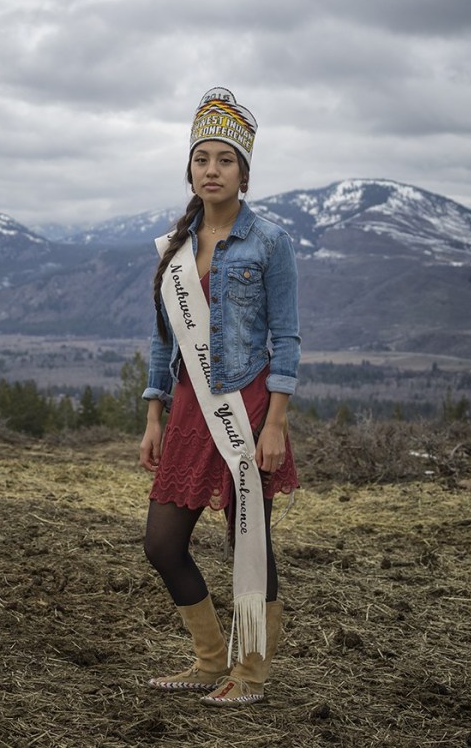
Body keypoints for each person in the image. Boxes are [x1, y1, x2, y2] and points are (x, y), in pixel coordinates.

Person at [140, 87, 300, 707]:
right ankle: (210, 660)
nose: (212, 169)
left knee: (248, 542)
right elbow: (163, 339)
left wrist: (276, 424)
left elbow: (285, 337)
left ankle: (251, 673)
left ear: (245, 172)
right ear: (189, 168)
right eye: (202, 158)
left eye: (225, 159)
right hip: (187, 409)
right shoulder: (176, 249)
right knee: (162, 542)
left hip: (249, 407)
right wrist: (154, 413)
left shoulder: (270, 243)